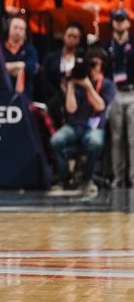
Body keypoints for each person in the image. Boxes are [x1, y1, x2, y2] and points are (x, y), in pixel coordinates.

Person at [50, 51, 115, 194]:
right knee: (56, 140)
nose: (92, 68)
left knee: (95, 142)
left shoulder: (107, 84)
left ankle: (87, 179)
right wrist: (71, 85)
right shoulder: (77, 82)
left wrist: (89, 86)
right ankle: (64, 179)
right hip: (73, 126)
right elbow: (71, 109)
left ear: (102, 66)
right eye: (90, 64)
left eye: (95, 64)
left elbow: (100, 106)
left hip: (94, 128)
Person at [104, 9, 134, 187]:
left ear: (128, 23)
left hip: (132, 92)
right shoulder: (106, 46)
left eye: (122, 20)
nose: (119, 23)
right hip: (114, 92)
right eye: (116, 20)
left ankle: (132, 176)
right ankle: (118, 176)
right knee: (116, 138)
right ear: (112, 23)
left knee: (132, 137)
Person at [2, 16, 39, 99]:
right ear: (8, 29)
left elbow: (31, 68)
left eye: (21, 29)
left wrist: (6, 67)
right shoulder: (0, 48)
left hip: (25, 95)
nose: (18, 31)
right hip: (2, 92)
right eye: (15, 27)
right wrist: (20, 65)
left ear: (25, 32)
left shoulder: (30, 49)